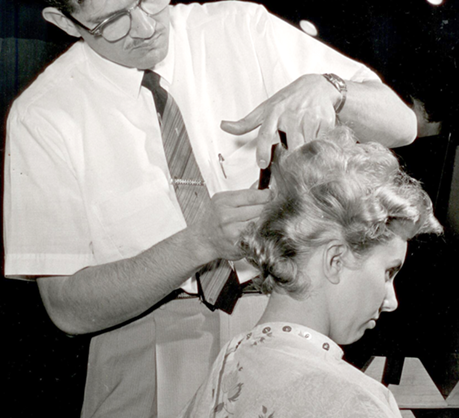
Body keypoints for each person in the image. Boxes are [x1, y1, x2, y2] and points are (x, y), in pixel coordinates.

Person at [3, 0, 418, 418]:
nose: (147, 26)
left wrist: (330, 90)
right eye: (111, 21)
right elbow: (66, 308)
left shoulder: (240, 29)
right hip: (143, 349)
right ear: (63, 22)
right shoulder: (43, 116)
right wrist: (196, 243)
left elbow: (401, 123)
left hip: (278, 327)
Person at [180, 126, 442, 418]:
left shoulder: (228, 361)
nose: (391, 301)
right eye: (387, 273)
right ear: (335, 260)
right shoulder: (359, 402)